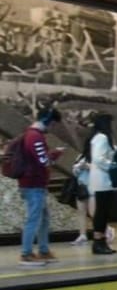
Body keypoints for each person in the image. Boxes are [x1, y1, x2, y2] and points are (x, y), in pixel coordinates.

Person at [18, 107, 63, 267]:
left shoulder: (33, 136)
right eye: (52, 125)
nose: (52, 129)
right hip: (32, 185)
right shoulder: (34, 137)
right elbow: (43, 161)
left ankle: (43, 250)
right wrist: (55, 154)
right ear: (47, 121)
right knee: (34, 218)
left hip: (36, 185)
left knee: (43, 218)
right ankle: (26, 253)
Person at [87, 112, 117, 255]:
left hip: (101, 180)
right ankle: (98, 242)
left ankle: (101, 241)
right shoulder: (102, 137)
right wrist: (112, 165)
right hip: (102, 179)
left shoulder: (98, 137)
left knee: (103, 212)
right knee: (101, 212)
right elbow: (98, 159)